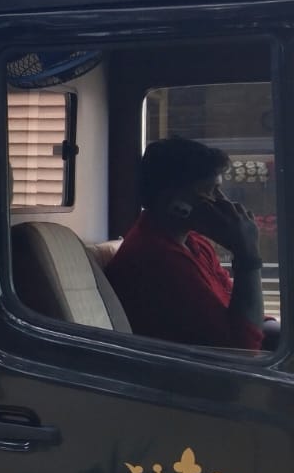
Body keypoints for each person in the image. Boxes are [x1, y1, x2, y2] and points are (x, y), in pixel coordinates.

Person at [105, 137, 278, 350]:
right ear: (175, 202)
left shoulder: (195, 244)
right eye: (210, 190)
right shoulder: (156, 259)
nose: (222, 201)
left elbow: (235, 309)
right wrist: (247, 254)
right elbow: (241, 348)